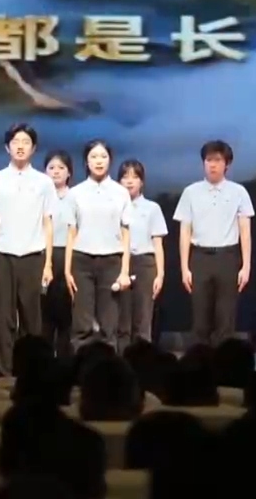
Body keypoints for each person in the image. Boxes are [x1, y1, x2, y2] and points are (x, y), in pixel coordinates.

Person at [0, 123, 59, 377]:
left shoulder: (44, 182)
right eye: (15, 142)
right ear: (7, 147)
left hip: (32, 256)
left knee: (32, 318)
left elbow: (48, 223)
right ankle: (3, 372)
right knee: (2, 318)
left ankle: (31, 372)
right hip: (2, 255)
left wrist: (48, 263)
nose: (20, 146)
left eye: (26, 142)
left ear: (34, 148)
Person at [175, 139, 254, 346]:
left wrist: (246, 266)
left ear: (227, 164)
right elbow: (184, 232)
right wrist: (184, 268)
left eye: (218, 160)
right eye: (208, 160)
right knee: (200, 319)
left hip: (228, 257)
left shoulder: (238, 192)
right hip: (200, 258)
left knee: (225, 319)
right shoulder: (191, 192)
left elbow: (245, 231)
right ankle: (201, 362)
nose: (212, 165)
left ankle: (223, 362)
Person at [66, 139, 133, 352]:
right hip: (81, 260)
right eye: (94, 156)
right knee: (82, 324)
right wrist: (67, 270)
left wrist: (125, 270)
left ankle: (108, 368)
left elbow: (126, 232)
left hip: (111, 260)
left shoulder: (120, 192)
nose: (99, 161)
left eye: (103, 156)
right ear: (86, 161)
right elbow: (71, 232)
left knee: (108, 324)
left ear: (110, 160)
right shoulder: (75, 193)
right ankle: (80, 365)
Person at [117, 159, 167, 347]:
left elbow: (158, 243)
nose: (129, 181)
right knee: (122, 321)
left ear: (142, 181)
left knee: (143, 320)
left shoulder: (152, 208)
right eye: (125, 177)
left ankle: (143, 361)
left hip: (145, 264)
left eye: (135, 177)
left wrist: (160, 274)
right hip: (120, 263)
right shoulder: (114, 207)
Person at [41, 150, 75, 359]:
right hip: (44, 256)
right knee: (44, 314)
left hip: (69, 256)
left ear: (69, 172)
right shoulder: (40, 196)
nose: (56, 172)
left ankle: (65, 361)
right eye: (51, 168)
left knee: (67, 315)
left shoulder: (76, 196)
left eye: (61, 168)